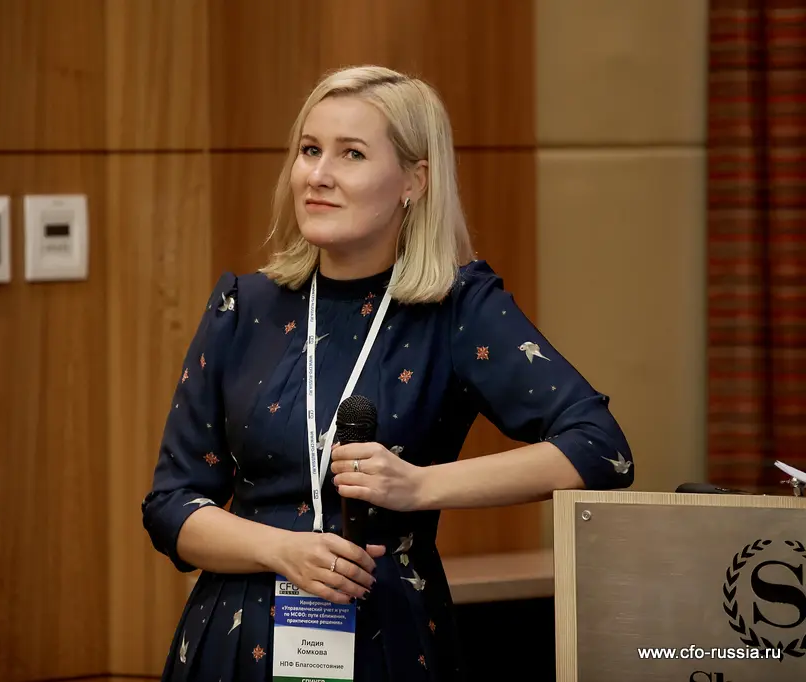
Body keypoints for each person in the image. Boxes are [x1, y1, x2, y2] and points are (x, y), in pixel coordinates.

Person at [141, 65, 633, 681]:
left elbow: (600, 449)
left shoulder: (458, 309)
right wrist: (281, 550)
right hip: (237, 641)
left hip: (388, 639)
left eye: (351, 154)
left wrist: (418, 486)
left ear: (413, 181)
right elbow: (171, 505)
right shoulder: (243, 308)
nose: (318, 175)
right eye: (310, 150)